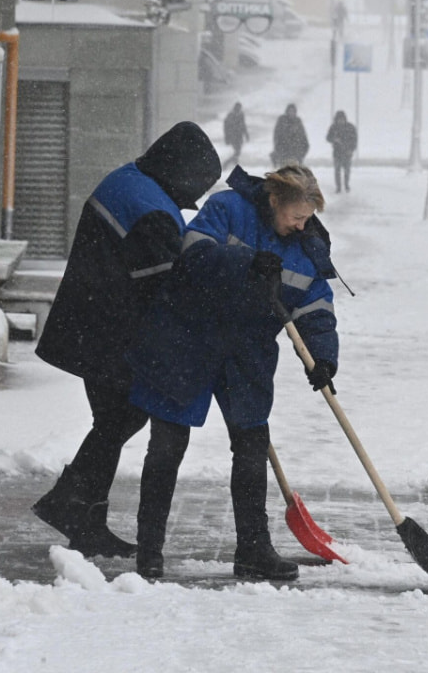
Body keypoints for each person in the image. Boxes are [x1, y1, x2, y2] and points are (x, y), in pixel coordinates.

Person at [124, 163, 340, 581]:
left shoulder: (307, 246)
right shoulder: (227, 208)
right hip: (189, 338)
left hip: (248, 352)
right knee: (168, 444)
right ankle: (149, 551)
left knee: (252, 445)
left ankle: (253, 551)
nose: (301, 225)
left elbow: (316, 306)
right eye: (296, 216)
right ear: (274, 200)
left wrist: (324, 358)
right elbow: (193, 255)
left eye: (307, 218)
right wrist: (245, 262)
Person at [32, 122, 221, 558]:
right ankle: (73, 507)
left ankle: (79, 511)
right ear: (182, 171)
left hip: (89, 323)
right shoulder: (150, 210)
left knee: (116, 419)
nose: (191, 201)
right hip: (104, 333)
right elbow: (166, 286)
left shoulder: (130, 179)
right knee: (121, 417)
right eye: (194, 188)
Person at [326, 110, 358, 193]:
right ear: (336, 119)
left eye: (342, 119)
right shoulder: (333, 127)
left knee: (347, 170)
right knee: (337, 170)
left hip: (347, 152)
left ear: (345, 119)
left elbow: (354, 140)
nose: (340, 121)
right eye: (339, 119)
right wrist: (334, 139)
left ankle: (346, 185)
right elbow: (328, 137)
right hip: (337, 153)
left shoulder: (350, 127)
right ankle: (338, 187)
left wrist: (351, 149)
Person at [222, 102, 249, 167]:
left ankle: (234, 165)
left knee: (237, 152)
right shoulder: (230, 115)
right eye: (238, 108)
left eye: (240, 108)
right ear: (235, 108)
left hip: (239, 136)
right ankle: (226, 164)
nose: (239, 109)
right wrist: (227, 137)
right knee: (237, 152)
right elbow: (226, 127)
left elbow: (243, 125)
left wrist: (246, 134)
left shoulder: (241, 115)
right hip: (233, 136)